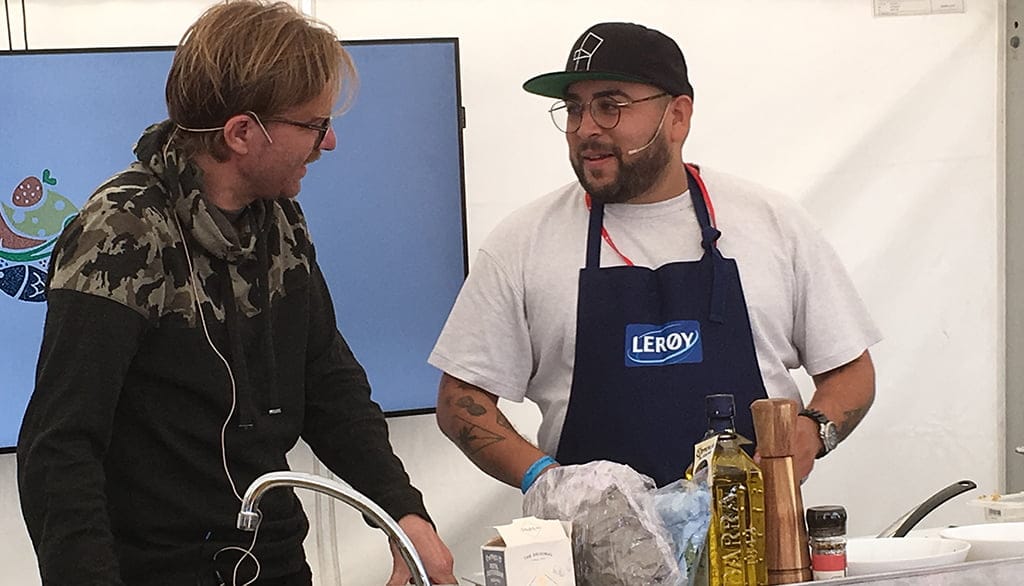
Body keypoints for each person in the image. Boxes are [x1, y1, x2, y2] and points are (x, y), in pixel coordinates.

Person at [16, 2, 456, 585]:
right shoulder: (121, 232)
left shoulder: (280, 222)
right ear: (242, 133)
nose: (329, 143)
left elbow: (328, 384)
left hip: (270, 561)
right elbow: (59, 448)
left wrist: (405, 514)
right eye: (315, 124)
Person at [430, 22, 881, 493]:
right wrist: (549, 482)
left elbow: (850, 369)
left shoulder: (774, 223)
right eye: (574, 109)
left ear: (678, 117)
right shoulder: (522, 243)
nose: (586, 129)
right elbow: (460, 398)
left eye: (610, 107)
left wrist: (812, 430)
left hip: (757, 548)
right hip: (591, 552)